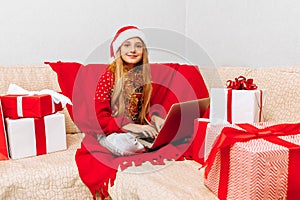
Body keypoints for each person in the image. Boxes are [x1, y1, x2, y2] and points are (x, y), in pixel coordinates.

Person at [94, 25, 164, 156]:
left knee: (160, 135)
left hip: (133, 130)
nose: (133, 50)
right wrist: (129, 127)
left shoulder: (142, 77)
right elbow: (100, 120)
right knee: (124, 143)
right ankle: (142, 145)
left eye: (138, 46)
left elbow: (142, 113)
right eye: (127, 45)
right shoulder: (108, 76)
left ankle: (146, 143)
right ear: (119, 50)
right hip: (110, 131)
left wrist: (155, 118)